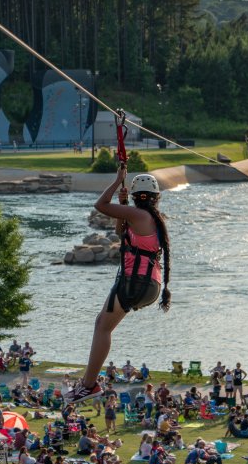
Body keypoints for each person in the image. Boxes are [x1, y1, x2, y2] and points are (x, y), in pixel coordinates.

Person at [68, 166, 172, 405]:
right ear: (157, 198)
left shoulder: (139, 216)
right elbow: (119, 231)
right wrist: (122, 206)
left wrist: (116, 182)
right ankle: (88, 383)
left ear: (137, 197)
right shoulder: (152, 219)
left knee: (102, 327)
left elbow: (100, 205)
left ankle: (88, 385)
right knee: (101, 324)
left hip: (134, 281)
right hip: (148, 284)